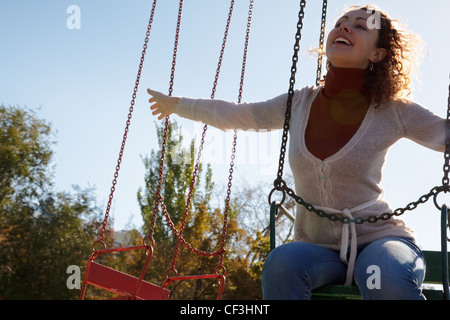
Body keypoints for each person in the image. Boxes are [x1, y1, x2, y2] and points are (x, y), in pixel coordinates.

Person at [147, 5, 446, 300]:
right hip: (317, 249)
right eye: (341, 22)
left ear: (377, 54)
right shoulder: (299, 104)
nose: (344, 27)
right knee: (281, 263)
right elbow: (238, 114)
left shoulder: (392, 110)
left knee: (385, 278)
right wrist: (178, 105)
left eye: (359, 26)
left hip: (380, 241)